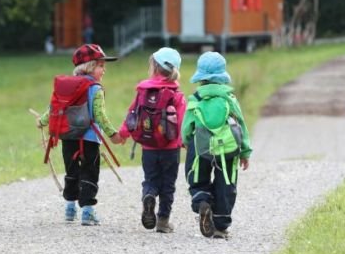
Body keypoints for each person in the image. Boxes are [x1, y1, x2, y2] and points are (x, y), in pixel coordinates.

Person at [37, 44, 123, 225]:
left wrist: (42, 122)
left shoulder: (66, 87)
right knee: (89, 172)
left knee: (71, 171)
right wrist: (112, 134)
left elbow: (54, 108)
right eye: (101, 65)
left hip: (68, 136)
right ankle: (88, 212)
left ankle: (69, 208)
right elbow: (100, 116)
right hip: (90, 138)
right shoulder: (95, 88)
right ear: (90, 66)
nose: (104, 70)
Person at [182, 51, 251, 239]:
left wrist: (187, 142)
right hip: (227, 148)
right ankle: (220, 225)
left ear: (200, 77)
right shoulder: (229, 98)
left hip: (201, 147)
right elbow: (241, 125)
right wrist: (245, 151)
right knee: (225, 184)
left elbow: (187, 127)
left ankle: (202, 201)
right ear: (222, 76)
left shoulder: (195, 99)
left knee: (198, 179)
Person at [119, 47, 186, 233]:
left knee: (151, 179)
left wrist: (122, 134)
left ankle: (148, 195)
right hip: (171, 149)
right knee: (168, 185)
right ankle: (163, 221)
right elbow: (182, 122)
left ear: (154, 67)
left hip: (148, 147)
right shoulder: (177, 95)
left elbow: (132, 115)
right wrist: (186, 142)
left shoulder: (143, 92)